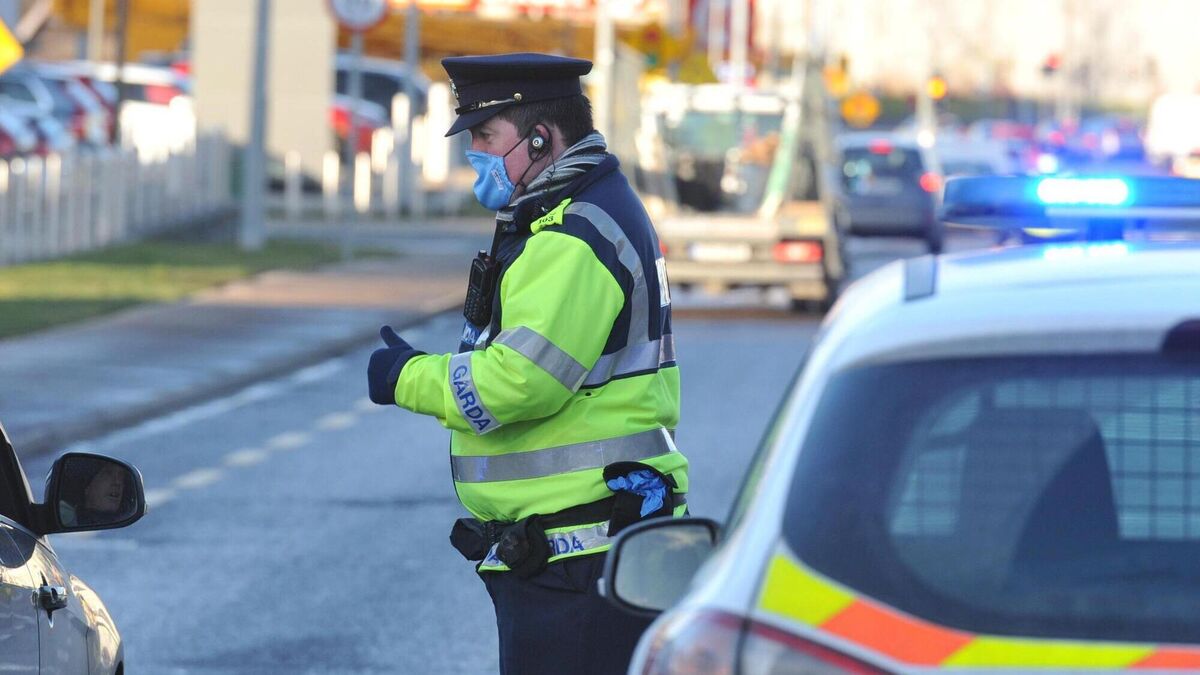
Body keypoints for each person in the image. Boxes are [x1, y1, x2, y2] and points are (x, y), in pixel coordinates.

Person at [366, 53, 689, 674]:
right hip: (579, 551)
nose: (474, 155)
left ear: (541, 138)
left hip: (579, 558)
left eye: (486, 137)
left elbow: (518, 381)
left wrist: (406, 377)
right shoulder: (575, 214)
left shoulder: (575, 235)